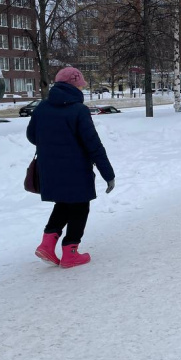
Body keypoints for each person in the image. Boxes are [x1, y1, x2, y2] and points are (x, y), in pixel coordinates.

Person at [26, 67, 115, 269]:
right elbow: (93, 144)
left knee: (64, 204)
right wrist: (108, 174)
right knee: (80, 206)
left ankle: (47, 243)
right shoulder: (78, 110)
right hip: (76, 169)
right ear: (74, 86)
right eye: (80, 85)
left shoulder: (42, 107)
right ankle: (70, 253)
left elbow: (32, 136)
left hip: (49, 167)